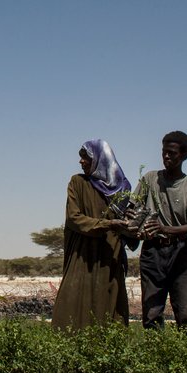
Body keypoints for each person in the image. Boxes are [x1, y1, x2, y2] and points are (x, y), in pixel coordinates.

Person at [51, 139, 135, 330]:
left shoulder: (123, 189)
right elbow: (74, 218)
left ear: (100, 160)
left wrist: (131, 224)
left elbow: (128, 226)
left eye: (86, 157)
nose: (81, 162)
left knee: (108, 301)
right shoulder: (77, 182)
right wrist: (106, 224)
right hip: (82, 253)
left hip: (110, 253)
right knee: (74, 301)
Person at [137, 131, 187, 332]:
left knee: (186, 313)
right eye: (164, 152)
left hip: (180, 252)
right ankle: (155, 357)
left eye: (172, 153)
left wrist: (165, 229)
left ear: (184, 155)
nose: (166, 156)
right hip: (152, 252)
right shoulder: (150, 179)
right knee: (151, 313)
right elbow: (133, 209)